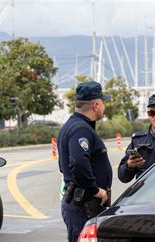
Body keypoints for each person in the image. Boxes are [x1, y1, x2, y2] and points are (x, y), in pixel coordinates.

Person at [58, 81, 113, 242]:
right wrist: (95, 190)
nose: (104, 106)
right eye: (103, 102)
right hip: (83, 205)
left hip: (81, 203)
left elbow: (63, 166)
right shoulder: (81, 129)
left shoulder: (72, 125)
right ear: (96, 105)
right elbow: (78, 163)